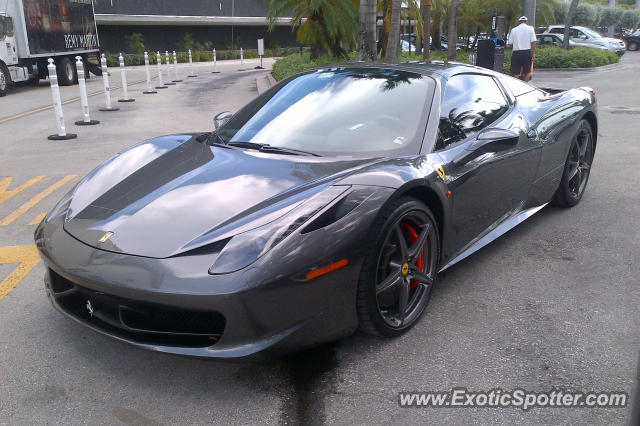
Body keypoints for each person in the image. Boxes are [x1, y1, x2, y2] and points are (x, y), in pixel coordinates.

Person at [507, 16, 536, 82]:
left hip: (516, 53)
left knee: (515, 73)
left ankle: (516, 86)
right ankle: (525, 85)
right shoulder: (530, 29)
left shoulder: (514, 30)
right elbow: (533, 42)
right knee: (528, 72)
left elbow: (510, 43)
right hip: (526, 53)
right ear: (526, 21)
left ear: (519, 22)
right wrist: (533, 53)